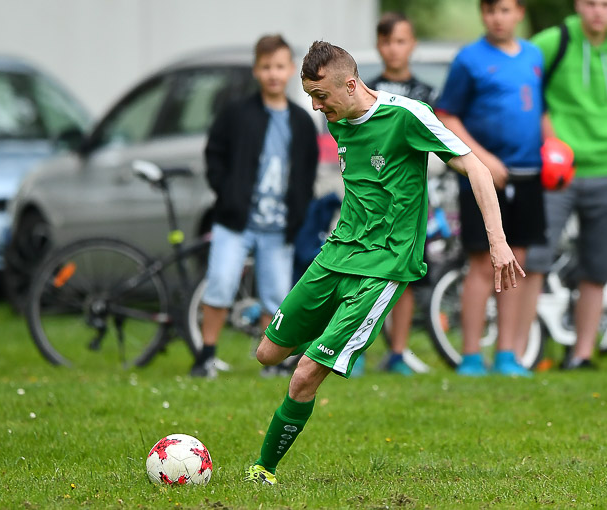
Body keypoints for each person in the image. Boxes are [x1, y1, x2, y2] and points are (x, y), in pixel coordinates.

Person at [244, 40, 524, 485]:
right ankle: (330, 336)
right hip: (336, 254)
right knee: (266, 353)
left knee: (303, 375)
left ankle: (263, 470)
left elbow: (477, 168)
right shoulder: (337, 118)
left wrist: (498, 241)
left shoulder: (407, 116)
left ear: (351, 84)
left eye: (321, 96)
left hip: (384, 267)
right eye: (310, 96)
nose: (316, 107)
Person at [190, 34, 319, 378]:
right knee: (220, 283)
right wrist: (227, 193)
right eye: (266, 67)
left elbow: (307, 173)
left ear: (291, 70)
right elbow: (214, 154)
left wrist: (299, 210)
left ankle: (270, 363)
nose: (273, 74)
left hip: (279, 226)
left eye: (279, 66)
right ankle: (206, 355)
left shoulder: (301, 121)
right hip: (236, 221)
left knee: (276, 296)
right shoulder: (236, 113)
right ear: (255, 70)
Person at [435, 0, 546, 376]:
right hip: (483, 179)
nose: (498, 17)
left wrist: (554, 147)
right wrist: (483, 162)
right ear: (483, 13)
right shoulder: (469, 59)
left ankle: (507, 355)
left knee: (518, 263)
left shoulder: (533, 56)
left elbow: (540, 110)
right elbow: (446, 115)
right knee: (483, 263)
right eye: (491, 10)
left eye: (506, 9)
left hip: (528, 175)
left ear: (520, 12)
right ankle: (470, 357)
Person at [518, 0, 607, 370]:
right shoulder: (555, 41)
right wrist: (548, 135)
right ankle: (516, 354)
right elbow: (523, 83)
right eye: (591, 3)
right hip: (557, 172)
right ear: (577, 5)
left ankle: (582, 354)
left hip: (604, 170)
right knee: (535, 261)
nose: (598, 12)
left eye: (605, 5)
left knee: (597, 268)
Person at [365, 11, 440, 375]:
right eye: (387, 41)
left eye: (401, 41)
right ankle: (355, 350)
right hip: (371, 199)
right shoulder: (365, 91)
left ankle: (398, 352)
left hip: (409, 202)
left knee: (403, 276)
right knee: (363, 273)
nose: (394, 49)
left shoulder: (427, 94)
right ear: (378, 45)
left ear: (412, 45)